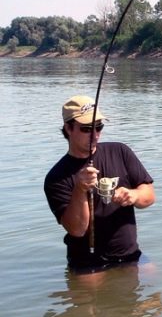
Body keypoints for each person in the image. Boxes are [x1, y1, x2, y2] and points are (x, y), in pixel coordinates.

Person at [44, 95, 155, 273]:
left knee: (159, 295)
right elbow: (77, 229)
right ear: (68, 128)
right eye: (87, 129)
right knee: (92, 300)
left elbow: (149, 196)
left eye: (99, 127)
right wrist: (80, 190)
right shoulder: (56, 177)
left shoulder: (120, 151)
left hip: (130, 255)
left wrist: (133, 195)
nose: (95, 134)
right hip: (87, 263)